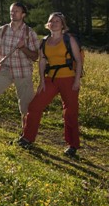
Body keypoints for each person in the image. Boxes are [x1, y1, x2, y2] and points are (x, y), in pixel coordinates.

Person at [17, 12, 83, 157]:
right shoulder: (44, 41)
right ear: (48, 24)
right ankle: (27, 138)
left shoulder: (69, 39)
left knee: (70, 112)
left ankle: (72, 145)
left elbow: (78, 60)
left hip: (69, 79)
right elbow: (42, 61)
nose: (54, 23)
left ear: (62, 24)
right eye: (51, 21)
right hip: (50, 79)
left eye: (57, 21)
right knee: (34, 106)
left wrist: (77, 80)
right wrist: (41, 81)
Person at [0, 2, 39, 135]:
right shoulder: (2, 30)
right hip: (5, 70)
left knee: (26, 105)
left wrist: (23, 48)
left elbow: (34, 56)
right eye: (11, 11)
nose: (13, 14)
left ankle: (25, 135)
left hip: (23, 72)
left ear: (23, 14)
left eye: (16, 11)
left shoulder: (29, 33)